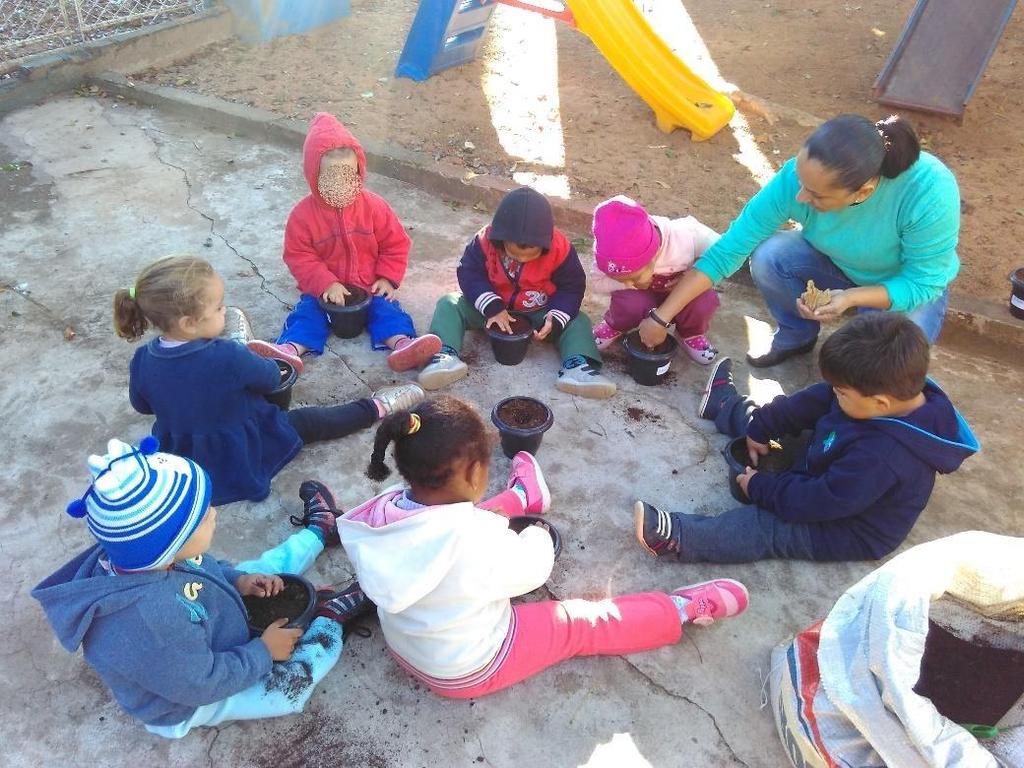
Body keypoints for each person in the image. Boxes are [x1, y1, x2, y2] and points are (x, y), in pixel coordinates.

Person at [337, 396, 749, 699]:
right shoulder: (478, 541)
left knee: (456, 514)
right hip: (467, 669)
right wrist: (535, 536)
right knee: (577, 624)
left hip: (406, 647)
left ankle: (522, 497)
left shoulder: (378, 513)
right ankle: (678, 611)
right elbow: (533, 569)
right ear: (477, 471)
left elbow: (449, 524)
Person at [32, 438, 371, 738]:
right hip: (191, 698)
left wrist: (236, 581)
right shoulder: (147, 624)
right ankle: (330, 619)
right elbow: (200, 683)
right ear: (169, 545)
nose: (213, 513)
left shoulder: (147, 555)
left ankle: (319, 533)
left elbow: (202, 568)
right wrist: (263, 652)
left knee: (256, 571)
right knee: (287, 692)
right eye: (202, 515)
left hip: (204, 616)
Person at [635, 313, 979, 563]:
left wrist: (761, 488)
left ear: (880, 403)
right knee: (780, 425)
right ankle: (725, 405)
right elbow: (816, 401)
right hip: (833, 462)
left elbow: (819, 502)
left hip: (845, 525)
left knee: (767, 527)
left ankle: (681, 536)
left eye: (842, 393)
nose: (836, 396)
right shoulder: (878, 391)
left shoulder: (886, 458)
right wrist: (762, 427)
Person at [636, 114, 961, 366]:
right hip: (839, 264)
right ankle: (796, 335)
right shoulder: (797, 179)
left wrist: (851, 298)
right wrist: (660, 316)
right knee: (769, 256)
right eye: (800, 181)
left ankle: (869, 327)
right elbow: (729, 250)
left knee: (885, 367)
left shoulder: (929, 191)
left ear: (862, 192)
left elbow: (923, 282)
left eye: (817, 195)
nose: (800, 197)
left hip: (905, 287)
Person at [115, 255, 423, 506]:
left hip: (184, 454)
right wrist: (251, 364)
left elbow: (142, 406)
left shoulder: (142, 358)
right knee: (308, 420)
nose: (225, 309)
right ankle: (377, 407)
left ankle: (242, 342)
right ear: (188, 322)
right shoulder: (224, 356)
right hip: (243, 446)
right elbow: (270, 377)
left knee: (229, 383)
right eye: (219, 307)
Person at [246, 112, 441, 373]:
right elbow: (298, 255)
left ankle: (403, 345)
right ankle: (290, 350)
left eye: (348, 176)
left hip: (368, 288)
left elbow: (395, 243)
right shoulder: (302, 216)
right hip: (324, 293)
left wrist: (387, 278)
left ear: (359, 172)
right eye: (330, 178)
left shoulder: (374, 207)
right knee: (308, 315)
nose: (339, 185)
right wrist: (325, 282)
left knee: (388, 312)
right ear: (314, 176)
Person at [418, 186, 617, 398]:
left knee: (578, 321)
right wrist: (491, 306)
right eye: (513, 254)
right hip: (489, 309)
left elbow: (572, 286)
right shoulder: (484, 241)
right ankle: (444, 355)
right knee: (449, 303)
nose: (521, 260)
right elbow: (469, 272)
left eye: (530, 256)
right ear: (499, 238)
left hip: (539, 312)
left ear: (546, 244)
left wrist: (556, 316)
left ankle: (577, 367)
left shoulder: (561, 249)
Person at [590, 194, 721, 364]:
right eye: (621, 279)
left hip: (681, 296)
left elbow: (725, 254)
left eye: (634, 277)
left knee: (705, 300)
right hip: (643, 299)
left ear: (653, 257)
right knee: (628, 302)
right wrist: (625, 284)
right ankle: (616, 325)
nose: (628, 283)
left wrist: (692, 274)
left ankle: (690, 333)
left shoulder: (687, 237)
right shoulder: (609, 256)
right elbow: (597, 283)